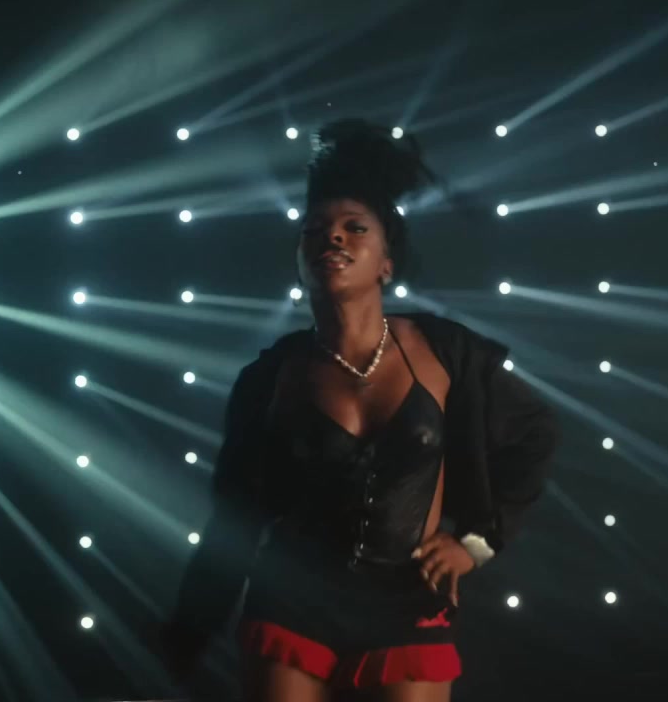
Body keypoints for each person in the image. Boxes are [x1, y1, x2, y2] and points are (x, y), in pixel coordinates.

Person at [161, 119, 559, 702]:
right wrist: (188, 631)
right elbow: (235, 516)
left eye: (355, 228)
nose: (333, 238)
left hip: (407, 600)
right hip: (292, 599)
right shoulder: (271, 377)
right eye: (314, 230)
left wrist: (474, 544)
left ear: (386, 262)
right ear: (300, 259)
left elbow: (536, 433)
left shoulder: (445, 353)